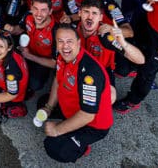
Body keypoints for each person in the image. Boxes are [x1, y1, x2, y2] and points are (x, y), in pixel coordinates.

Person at [38, 23, 113, 163]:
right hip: (72, 108)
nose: (65, 46)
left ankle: (82, 147)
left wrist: (58, 129)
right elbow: (58, 80)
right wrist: (48, 107)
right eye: (60, 41)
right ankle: (67, 125)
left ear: (78, 43)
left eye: (69, 41)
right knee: (42, 105)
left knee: (54, 147)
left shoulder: (89, 74)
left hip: (93, 125)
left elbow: (87, 115)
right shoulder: (62, 56)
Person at [76, 0, 144, 96]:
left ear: (100, 17)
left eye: (94, 13)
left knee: (111, 96)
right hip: (77, 66)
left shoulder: (106, 36)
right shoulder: (72, 30)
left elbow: (140, 60)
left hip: (102, 70)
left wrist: (123, 43)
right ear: (79, 13)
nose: (90, 17)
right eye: (86, 12)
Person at [5, 0, 56, 93]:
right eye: (35, 9)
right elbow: (19, 29)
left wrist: (29, 56)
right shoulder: (28, 15)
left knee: (35, 84)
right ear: (31, 8)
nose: (38, 14)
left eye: (43, 10)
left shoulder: (56, 32)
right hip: (25, 50)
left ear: (50, 11)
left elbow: (55, 64)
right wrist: (11, 29)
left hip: (42, 61)